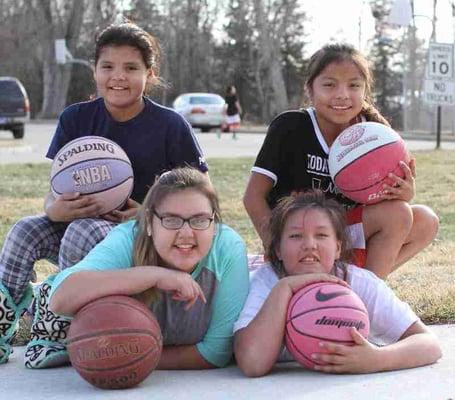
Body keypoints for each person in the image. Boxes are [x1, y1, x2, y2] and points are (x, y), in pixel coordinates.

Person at [0, 22, 208, 367]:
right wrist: (54, 210)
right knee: (25, 229)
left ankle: (62, 329)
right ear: (94, 70)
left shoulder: (170, 124)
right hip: (77, 224)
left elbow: (202, 192)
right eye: (107, 66)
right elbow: (53, 195)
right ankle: (3, 326)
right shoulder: (75, 118)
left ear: (149, 74)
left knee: (84, 231)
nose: (118, 77)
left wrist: (148, 212)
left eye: (131, 68)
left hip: (139, 235)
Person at [243, 43, 439, 279]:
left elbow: (388, 207)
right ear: (310, 89)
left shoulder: (374, 133)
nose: (342, 94)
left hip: (343, 233)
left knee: (424, 220)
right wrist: (276, 249)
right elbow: (253, 197)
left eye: (354, 85)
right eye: (329, 84)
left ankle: (362, 291)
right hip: (301, 234)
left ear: (365, 90)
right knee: (398, 214)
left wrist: (403, 193)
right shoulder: (290, 127)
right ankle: (333, 281)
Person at [49, 167, 249, 369]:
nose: (187, 233)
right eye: (171, 220)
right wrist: (154, 276)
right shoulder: (129, 239)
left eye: (200, 220)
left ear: (214, 223)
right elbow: (60, 298)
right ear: (150, 223)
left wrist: (132, 359)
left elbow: (216, 353)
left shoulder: (227, 249)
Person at [234, 190, 442, 377]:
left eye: (322, 235)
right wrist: (285, 288)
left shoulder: (358, 282)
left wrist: (377, 359)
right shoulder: (265, 281)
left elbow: (429, 344)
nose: (309, 245)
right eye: (296, 236)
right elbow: (252, 363)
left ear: (338, 248)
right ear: (278, 249)